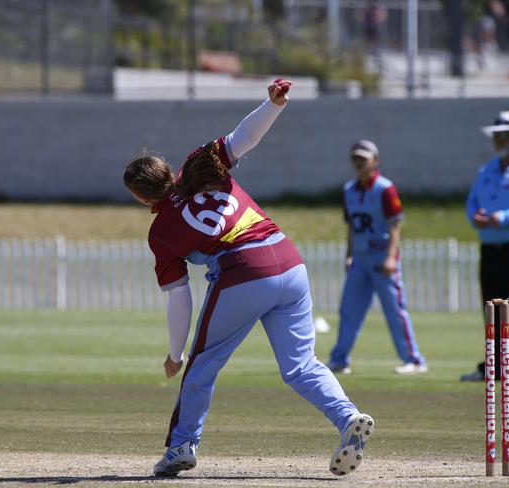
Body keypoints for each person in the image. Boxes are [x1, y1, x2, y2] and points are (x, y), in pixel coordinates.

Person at [122, 80, 374, 478]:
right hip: (290, 262)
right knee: (301, 365)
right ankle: (348, 418)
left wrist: (176, 354)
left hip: (243, 273)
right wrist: (273, 104)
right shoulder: (198, 164)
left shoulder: (161, 232)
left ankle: (181, 447)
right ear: (168, 169)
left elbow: (179, 297)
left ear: (140, 198)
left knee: (202, 366)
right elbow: (244, 138)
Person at [327, 140, 427, 376]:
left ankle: (413, 359)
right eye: (355, 158)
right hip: (360, 259)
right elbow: (351, 226)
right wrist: (349, 254)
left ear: (375, 161)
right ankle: (339, 359)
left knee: (394, 310)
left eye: (363, 157)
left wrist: (391, 258)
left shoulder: (385, 188)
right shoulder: (348, 190)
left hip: (382, 257)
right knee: (348, 310)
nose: (358, 162)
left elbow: (395, 226)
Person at [461, 111, 509, 382]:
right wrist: (476, 218)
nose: (499, 140)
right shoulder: (488, 169)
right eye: (497, 136)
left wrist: (500, 218)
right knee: (491, 306)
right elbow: (471, 202)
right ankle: (496, 365)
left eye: (503, 135)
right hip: (490, 250)